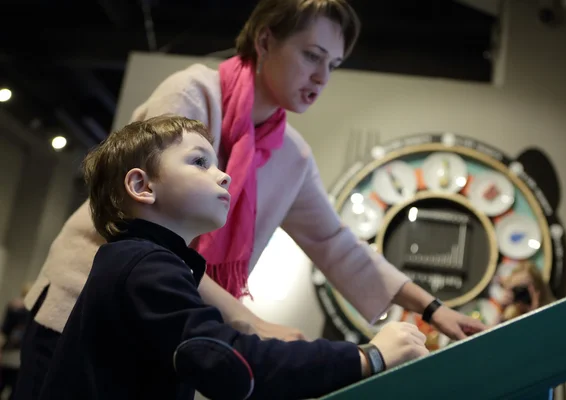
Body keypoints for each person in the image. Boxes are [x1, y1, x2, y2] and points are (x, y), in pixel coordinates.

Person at [17, 0, 486, 397]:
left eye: (333, 65)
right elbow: (144, 217)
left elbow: (335, 242)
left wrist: (434, 309)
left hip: (172, 329)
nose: (322, 76)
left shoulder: (291, 153)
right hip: (84, 309)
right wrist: (246, 321)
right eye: (311, 55)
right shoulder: (194, 92)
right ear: (264, 42)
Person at [37, 115, 430, 400]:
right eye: (199, 162)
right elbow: (226, 360)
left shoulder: (142, 263)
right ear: (141, 185)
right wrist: (369, 357)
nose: (223, 175)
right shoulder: (145, 268)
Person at [0, 284, 30, 400]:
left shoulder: (15, 308)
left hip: (13, 356)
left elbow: (4, 331)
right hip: (16, 357)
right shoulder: (19, 310)